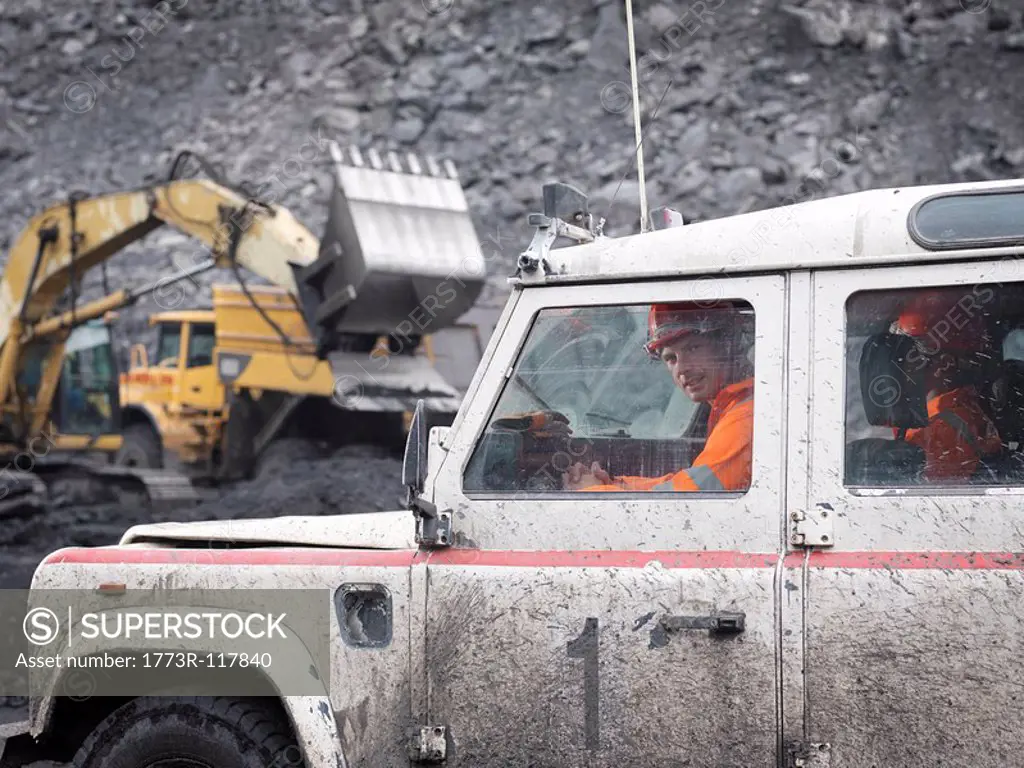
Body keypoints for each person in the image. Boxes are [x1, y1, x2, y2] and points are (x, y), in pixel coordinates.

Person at [564, 300, 755, 492]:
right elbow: (684, 483)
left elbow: (686, 503)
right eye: (671, 358)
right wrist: (613, 485)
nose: (682, 369)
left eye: (693, 349)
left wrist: (592, 493)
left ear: (728, 344)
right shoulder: (735, 407)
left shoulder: (745, 418)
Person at [890, 289, 1002, 483]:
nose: (898, 364)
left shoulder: (941, 431)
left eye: (909, 354)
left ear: (944, 364)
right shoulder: (961, 413)